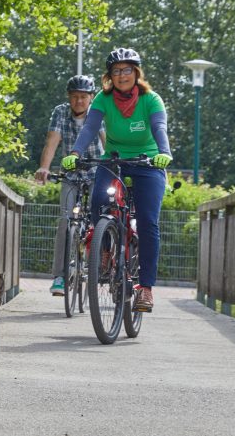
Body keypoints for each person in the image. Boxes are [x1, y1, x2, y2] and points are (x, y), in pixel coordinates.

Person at [62, 47, 171, 312]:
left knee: (147, 222)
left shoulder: (151, 99)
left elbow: (159, 127)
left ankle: (145, 288)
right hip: (113, 160)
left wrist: (164, 152)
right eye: (116, 71)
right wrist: (75, 152)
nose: (121, 75)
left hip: (148, 163)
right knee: (99, 202)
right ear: (109, 76)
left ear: (136, 73)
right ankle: (106, 246)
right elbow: (90, 127)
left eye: (126, 70)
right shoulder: (102, 98)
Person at [33, 74, 104, 296]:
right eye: (74, 97)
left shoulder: (98, 111)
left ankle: (98, 266)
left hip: (96, 173)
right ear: (69, 97)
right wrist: (44, 167)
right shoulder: (60, 112)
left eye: (83, 97)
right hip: (71, 175)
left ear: (91, 97)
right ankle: (60, 277)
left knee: (99, 219)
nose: (79, 101)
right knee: (65, 221)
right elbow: (52, 141)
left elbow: (106, 140)